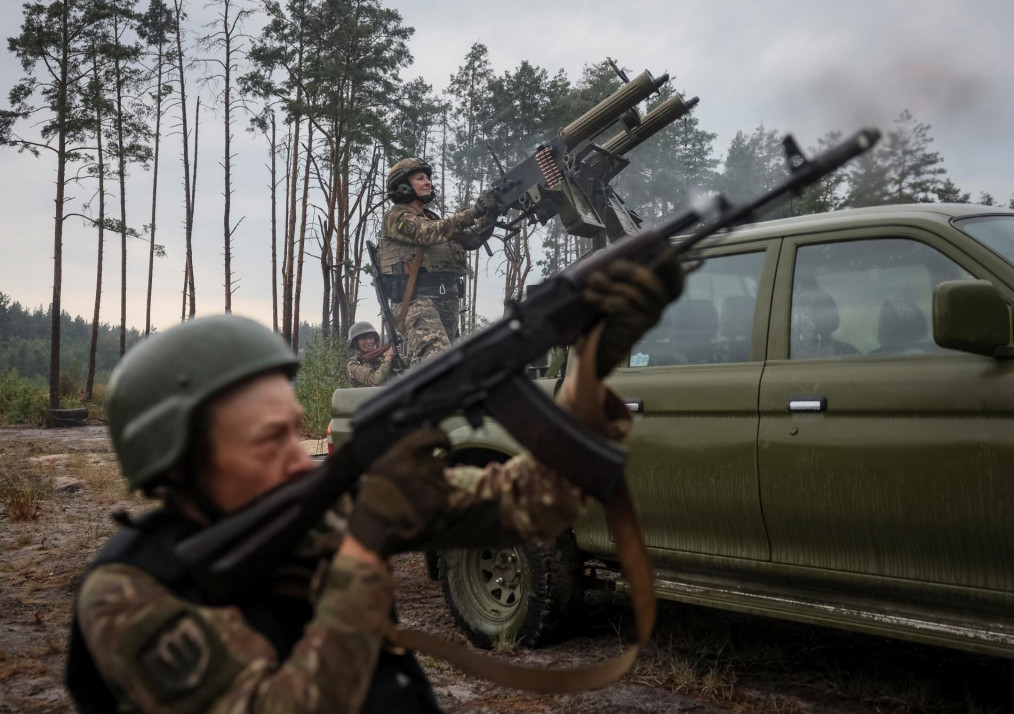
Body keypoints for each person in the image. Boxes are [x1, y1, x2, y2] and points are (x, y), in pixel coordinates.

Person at [66, 254, 683, 714]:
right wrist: (364, 551)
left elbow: (537, 500)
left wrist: (593, 359)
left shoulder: (326, 512)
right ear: (177, 461)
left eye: (293, 431)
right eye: (267, 440)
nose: (296, 456)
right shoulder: (131, 591)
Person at [379, 157, 499, 365]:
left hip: (446, 300)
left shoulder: (433, 219)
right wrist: (473, 212)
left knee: (439, 365)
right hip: (416, 301)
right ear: (404, 186)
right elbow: (427, 233)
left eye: (428, 178)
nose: (428, 182)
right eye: (420, 178)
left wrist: (491, 214)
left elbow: (472, 239)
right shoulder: (395, 217)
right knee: (438, 362)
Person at [347, 321, 395, 387]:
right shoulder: (353, 364)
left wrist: (394, 354)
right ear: (356, 342)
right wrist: (388, 358)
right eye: (364, 338)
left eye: (371, 338)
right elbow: (374, 380)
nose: (369, 341)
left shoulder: (381, 357)